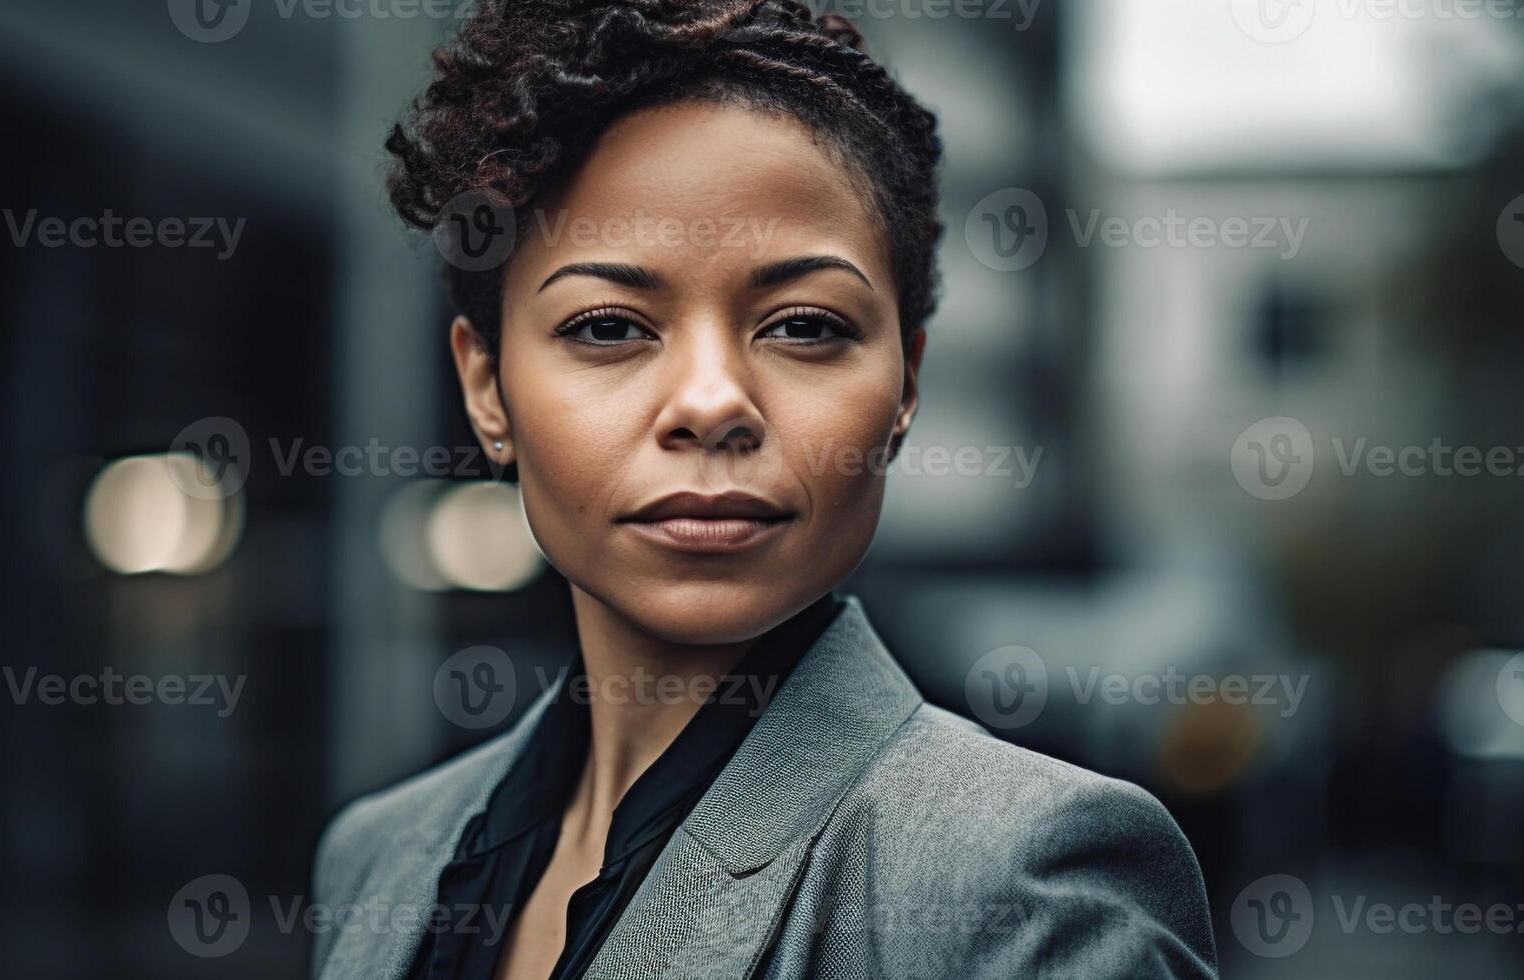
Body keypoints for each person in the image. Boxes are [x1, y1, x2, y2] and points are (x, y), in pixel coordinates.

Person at [314, 1, 1218, 976]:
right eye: (609, 326)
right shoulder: (377, 857)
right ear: (486, 387)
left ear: (905, 382)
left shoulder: (1026, 889)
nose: (712, 404)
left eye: (801, 325)